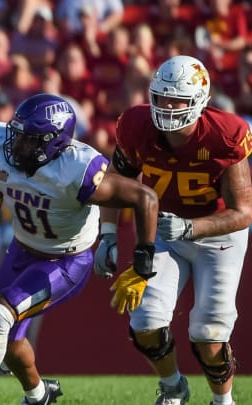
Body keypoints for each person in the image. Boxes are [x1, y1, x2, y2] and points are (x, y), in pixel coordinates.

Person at [0, 93, 159, 405]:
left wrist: (141, 260)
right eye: (15, 135)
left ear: (53, 143)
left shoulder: (78, 170)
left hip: (65, 261)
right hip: (21, 250)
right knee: (6, 340)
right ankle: (38, 396)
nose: (16, 146)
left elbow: (146, 199)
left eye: (27, 140)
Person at [93, 55, 252, 405]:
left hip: (217, 235)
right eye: (161, 96)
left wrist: (191, 227)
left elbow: (243, 213)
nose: (166, 106)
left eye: (176, 99)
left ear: (199, 100)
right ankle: (172, 386)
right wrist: (106, 232)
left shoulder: (226, 135)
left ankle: (222, 400)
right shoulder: (136, 125)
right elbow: (116, 180)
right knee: (145, 322)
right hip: (164, 229)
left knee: (209, 335)